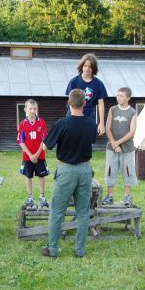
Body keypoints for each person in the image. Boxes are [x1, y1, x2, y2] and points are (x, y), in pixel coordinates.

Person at [41, 89, 97, 258]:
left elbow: (45, 146)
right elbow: (91, 140)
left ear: (69, 103)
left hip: (66, 170)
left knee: (58, 211)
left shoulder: (62, 124)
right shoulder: (91, 124)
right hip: (85, 170)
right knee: (83, 212)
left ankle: (53, 249)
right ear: (85, 103)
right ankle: (80, 250)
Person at [101, 87, 138, 207]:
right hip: (112, 148)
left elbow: (132, 132)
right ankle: (110, 196)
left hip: (127, 148)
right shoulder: (113, 109)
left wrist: (119, 143)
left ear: (128, 98)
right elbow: (107, 128)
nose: (118, 97)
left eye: (121, 95)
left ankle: (127, 197)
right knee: (110, 170)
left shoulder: (132, 112)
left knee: (128, 170)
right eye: (117, 95)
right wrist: (114, 143)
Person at [17, 99, 49, 209]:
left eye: (34, 108)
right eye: (30, 108)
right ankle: (30, 198)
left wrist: (36, 154)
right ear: (25, 109)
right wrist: (31, 155)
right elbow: (21, 141)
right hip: (27, 157)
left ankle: (42, 197)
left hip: (40, 155)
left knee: (41, 176)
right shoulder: (23, 124)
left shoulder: (41, 122)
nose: (32, 111)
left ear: (37, 109)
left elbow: (44, 140)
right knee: (28, 176)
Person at [65, 53, 108, 135]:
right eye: (85, 66)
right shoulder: (74, 82)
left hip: (88, 118)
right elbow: (70, 102)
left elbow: (101, 103)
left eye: (90, 66)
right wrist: (72, 119)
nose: (87, 68)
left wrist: (101, 123)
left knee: (86, 144)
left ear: (93, 68)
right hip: (72, 117)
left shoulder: (98, 84)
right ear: (81, 66)